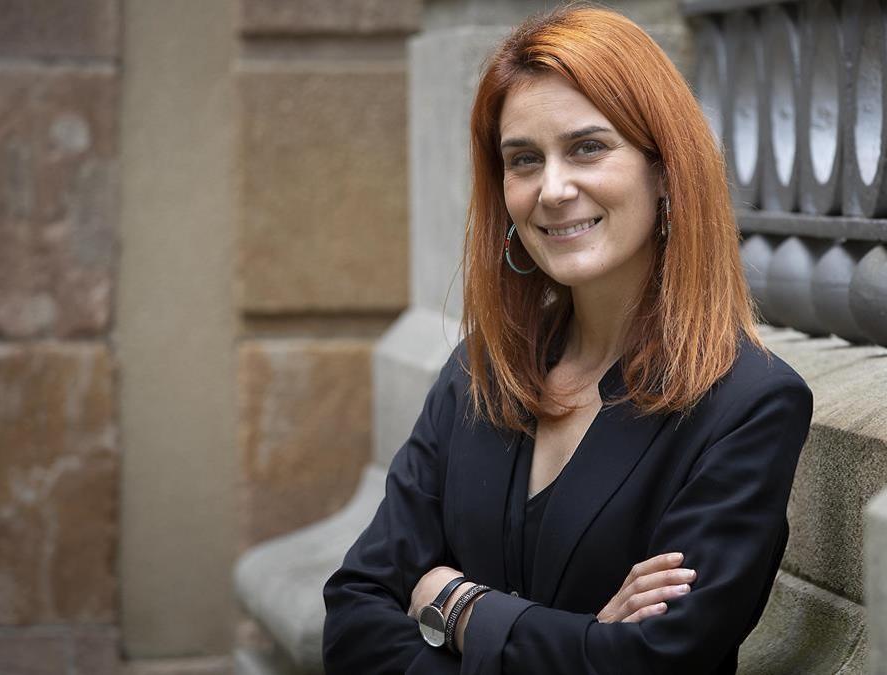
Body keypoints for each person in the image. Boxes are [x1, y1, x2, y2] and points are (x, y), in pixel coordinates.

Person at [322, 6, 812, 674]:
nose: (553, 189)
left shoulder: (748, 405)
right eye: (524, 159)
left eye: (587, 147)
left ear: (664, 168)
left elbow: (655, 658)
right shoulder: (478, 372)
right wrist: (578, 639)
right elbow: (353, 612)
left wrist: (458, 604)